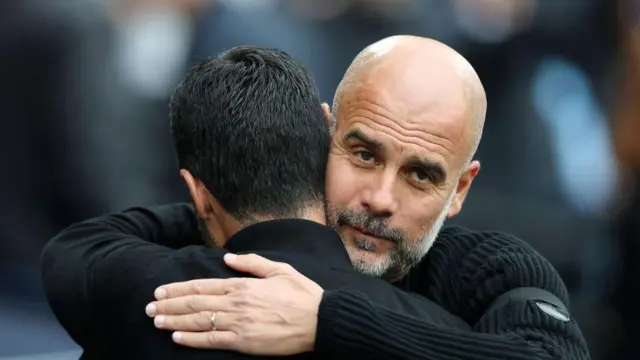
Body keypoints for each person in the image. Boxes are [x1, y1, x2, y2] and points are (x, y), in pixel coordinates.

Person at [43, 36, 590, 359]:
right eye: (364, 155)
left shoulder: (492, 271)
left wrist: (330, 321)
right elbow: (78, 256)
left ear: (460, 189)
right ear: (324, 136)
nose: (379, 198)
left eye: (420, 176)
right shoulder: (219, 227)